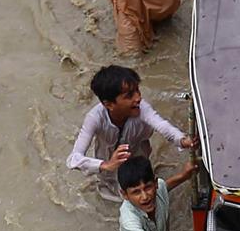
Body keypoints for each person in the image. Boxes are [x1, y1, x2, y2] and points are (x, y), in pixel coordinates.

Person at [67, 64, 197, 200]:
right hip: (109, 173)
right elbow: (73, 159)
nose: (138, 98)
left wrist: (183, 140)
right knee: (130, 200)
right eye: (129, 95)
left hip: (139, 162)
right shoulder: (95, 118)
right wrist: (106, 165)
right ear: (109, 104)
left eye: (137, 91)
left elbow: (162, 126)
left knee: (145, 196)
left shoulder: (141, 108)